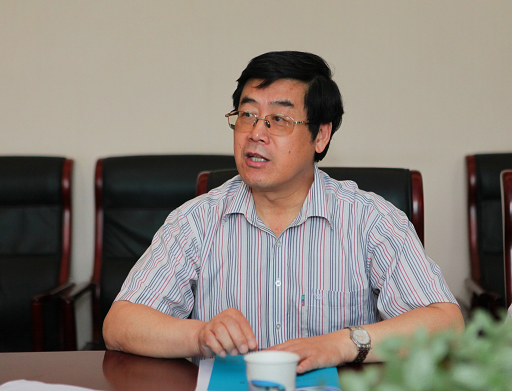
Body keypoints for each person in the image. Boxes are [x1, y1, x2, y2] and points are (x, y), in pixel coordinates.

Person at [103, 51, 464, 373]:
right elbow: (119, 324)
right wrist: (199, 335)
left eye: (279, 119)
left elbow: (446, 323)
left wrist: (340, 345)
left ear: (320, 136)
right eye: (247, 114)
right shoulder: (196, 221)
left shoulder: (371, 221)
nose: (256, 133)